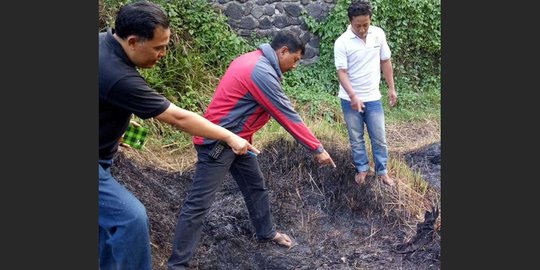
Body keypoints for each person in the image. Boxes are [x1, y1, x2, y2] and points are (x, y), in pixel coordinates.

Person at [99, 1, 259, 269]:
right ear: (133, 41)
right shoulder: (118, 76)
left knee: (105, 230)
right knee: (131, 219)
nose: (163, 54)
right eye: (158, 47)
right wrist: (230, 137)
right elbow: (178, 117)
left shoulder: (104, 42)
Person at [167, 30, 336, 269]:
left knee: (255, 186)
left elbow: (241, 111)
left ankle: (267, 233)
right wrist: (316, 148)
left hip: (239, 142)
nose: (295, 66)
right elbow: (286, 114)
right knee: (199, 204)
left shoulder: (252, 59)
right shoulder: (260, 72)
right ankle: (177, 265)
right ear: (283, 51)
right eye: (296, 59)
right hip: (218, 143)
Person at [334, 0, 398, 187]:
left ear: (370, 20)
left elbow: (385, 61)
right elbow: (342, 72)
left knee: (379, 137)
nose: (362, 29)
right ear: (350, 22)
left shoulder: (378, 35)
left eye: (366, 25)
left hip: (373, 97)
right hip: (349, 100)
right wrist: (353, 96)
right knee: (356, 137)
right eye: (358, 25)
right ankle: (362, 168)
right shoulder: (342, 42)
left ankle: (382, 172)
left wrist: (391, 88)